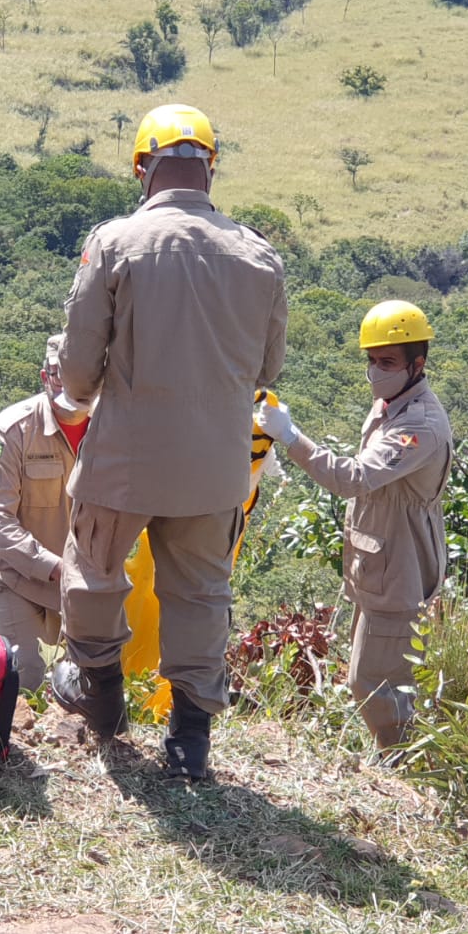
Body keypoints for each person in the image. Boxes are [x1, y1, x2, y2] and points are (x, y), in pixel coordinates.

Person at [51, 103, 288, 779]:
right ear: (210, 168)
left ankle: (102, 701)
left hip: (125, 457)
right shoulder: (259, 255)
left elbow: (78, 370)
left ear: (142, 168)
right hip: (215, 464)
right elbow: (267, 369)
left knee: (94, 572)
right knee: (202, 595)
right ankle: (189, 741)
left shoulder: (116, 242)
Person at [255, 300, 451, 751]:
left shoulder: (418, 425)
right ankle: (398, 758)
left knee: (377, 687)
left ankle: (402, 767)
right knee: (372, 680)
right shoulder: (391, 404)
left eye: (388, 362)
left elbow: (353, 479)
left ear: (417, 365)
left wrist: (291, 437)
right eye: (372, 360)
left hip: (400, 574)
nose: (376, 371)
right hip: (378, 567)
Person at [0, 334, 92, 690]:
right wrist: (55, 567)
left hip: (78, 578)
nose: (67, 383)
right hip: (11, 570)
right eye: (57, 374)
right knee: (25, 677)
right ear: (44, 377)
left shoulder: (110, 430)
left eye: (77, 374)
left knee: (91, 680)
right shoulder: (11, 430)